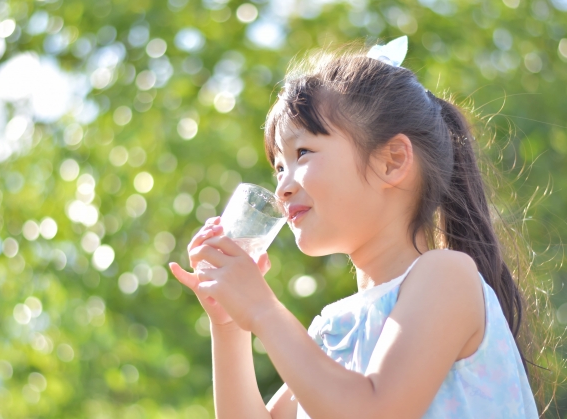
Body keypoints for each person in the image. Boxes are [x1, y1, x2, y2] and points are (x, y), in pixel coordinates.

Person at [169, 37, 540, 418]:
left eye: (303, 153)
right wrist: (230, 325)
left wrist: (263, 311)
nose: (282, 185)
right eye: (279, 167)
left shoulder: (446, 277)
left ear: (392, 161)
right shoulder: (333, 330)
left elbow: (371, 410)